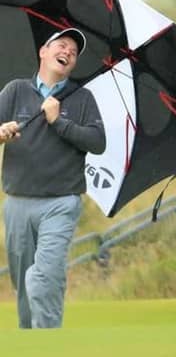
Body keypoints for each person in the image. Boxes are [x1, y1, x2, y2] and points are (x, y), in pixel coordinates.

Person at [0, 27, 106, 329]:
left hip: (61, 203)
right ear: (43, 52)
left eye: (73, 53)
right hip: (18, 202)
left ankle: (47, 343)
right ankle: (30, 340)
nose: (68, 53)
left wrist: (58, 121)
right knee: (23, 284)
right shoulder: (15, 90)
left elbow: (97, 143)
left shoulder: (82, 98)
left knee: (44, 276)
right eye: (61, 46)